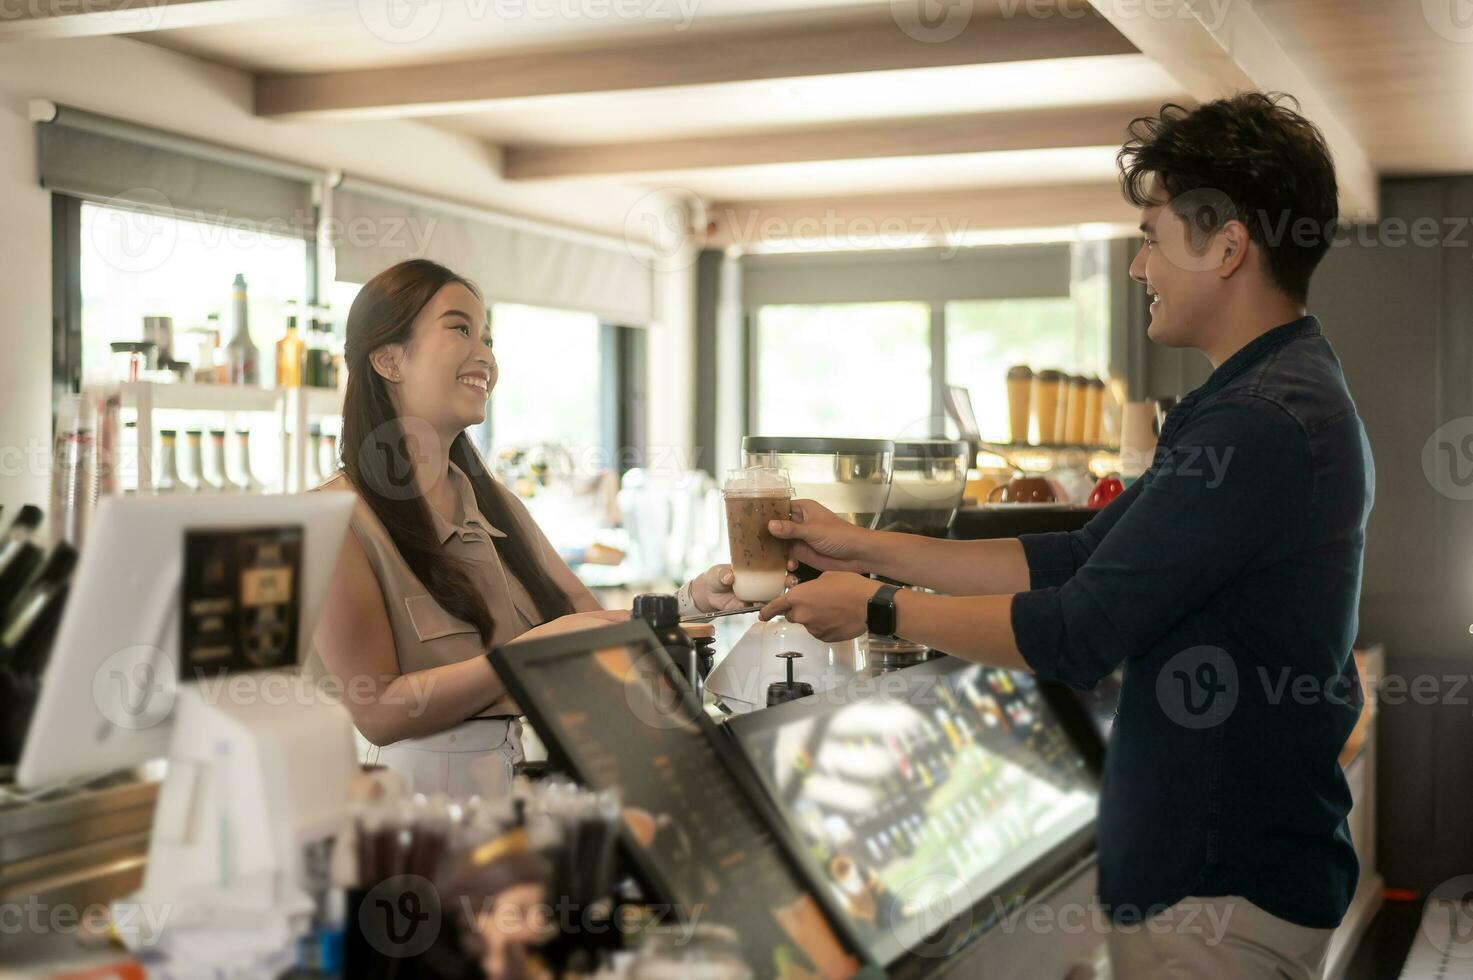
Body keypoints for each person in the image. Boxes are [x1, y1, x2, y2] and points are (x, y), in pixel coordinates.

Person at [759, 93, 1374, 980]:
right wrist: (863, 545)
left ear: (1227, 246)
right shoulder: (1262, 393)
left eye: (1154, 238)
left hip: (1218, 885)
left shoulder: (1260, 419)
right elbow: (1077, 556)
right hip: (1216, 876)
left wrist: (879, 611)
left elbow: (1078, 628)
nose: (1138, 267)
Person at [312, 259, 747, 796]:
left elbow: (585, 621)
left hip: (517, 790)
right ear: (388, 360)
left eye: (488, 338)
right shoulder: (335, 520)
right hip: (408, 806)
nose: (486, 357)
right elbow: (379, 711)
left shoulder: (496, 504)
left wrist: (690, 602)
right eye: (460, 329)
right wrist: (527, 656)